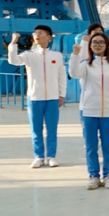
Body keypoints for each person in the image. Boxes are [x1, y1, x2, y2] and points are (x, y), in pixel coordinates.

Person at [70, 32, 109, 189]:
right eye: (94, 42)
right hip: (89, 111)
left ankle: (108, 175)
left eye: (101, 42)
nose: (98, 45)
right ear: (90, 46)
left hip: (108, 112)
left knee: (108, 146)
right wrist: (75, 55)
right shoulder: (86, 64)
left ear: (107, 45)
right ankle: (93, 176)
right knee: (91, 146)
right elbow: (74, 73)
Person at [7, 25, 67, 168]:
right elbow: (13, 60)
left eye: (40, 33)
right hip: (34, 98)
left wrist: (61, 94)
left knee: (52, 129)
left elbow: (61, 76)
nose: (37, 35)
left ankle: (51, 156)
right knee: (36, 129)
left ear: (49, 37)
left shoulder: (57, 56)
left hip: (52, 98)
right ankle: (38, 156)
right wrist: (13, 43)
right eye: (35, 33)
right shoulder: (29, 55)